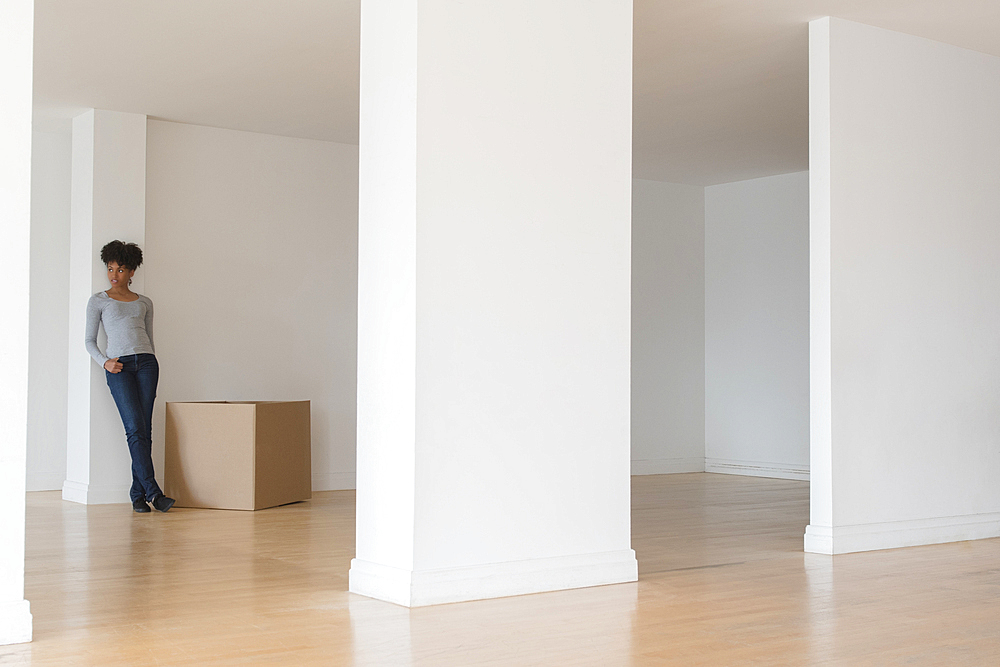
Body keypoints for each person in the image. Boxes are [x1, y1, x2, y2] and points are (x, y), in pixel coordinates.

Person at [85, 240, 175, 514]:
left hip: (147, 364)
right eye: (110, 268)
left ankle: (137, 495)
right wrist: (105, 363)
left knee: (144, 430)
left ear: (132, 272)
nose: (114, 275)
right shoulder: (98, 301)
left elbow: (149, 337)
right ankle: (154, 492)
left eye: (121, 269)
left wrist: (153, 361)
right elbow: (89, 341)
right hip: (119, 368)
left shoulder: (145, 302)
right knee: (135, 428)